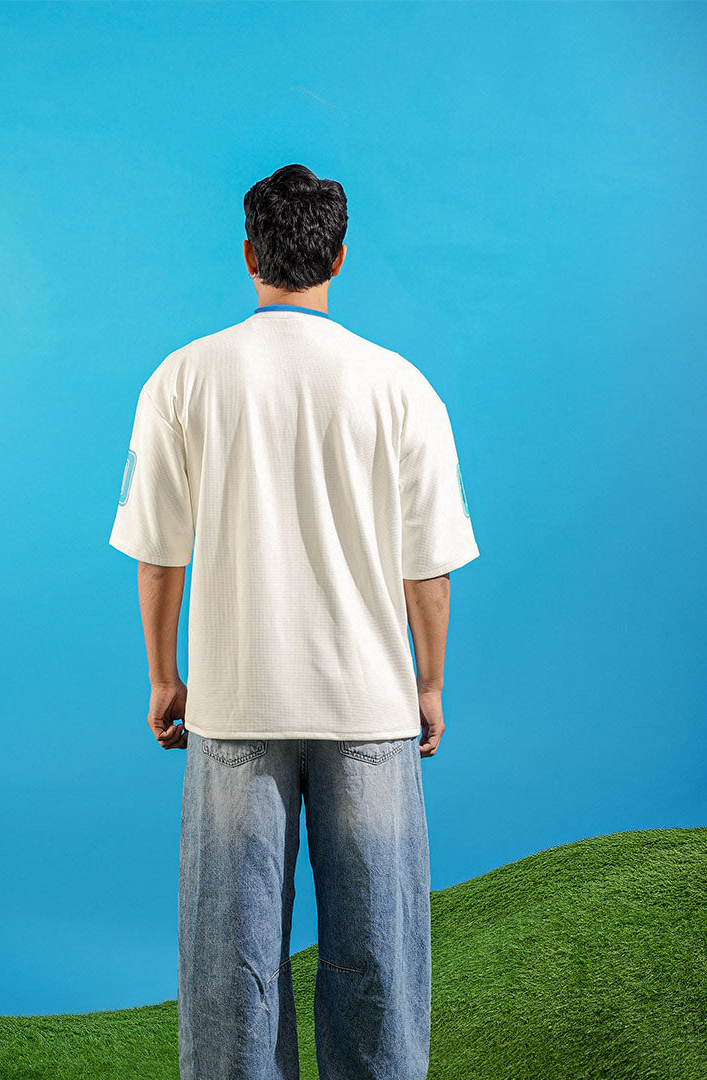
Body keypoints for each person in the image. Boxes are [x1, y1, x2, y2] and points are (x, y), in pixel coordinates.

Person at [108, 163, 479, 1080]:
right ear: (340, 258)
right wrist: (427, 686)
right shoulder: (399, 386)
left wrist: (165, 679)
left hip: (234, 707)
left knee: (231, 979)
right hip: (370, 706)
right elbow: (425, 572)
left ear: (248, 255)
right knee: (378, 964)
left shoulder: (185, 378)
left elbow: (161, 554)